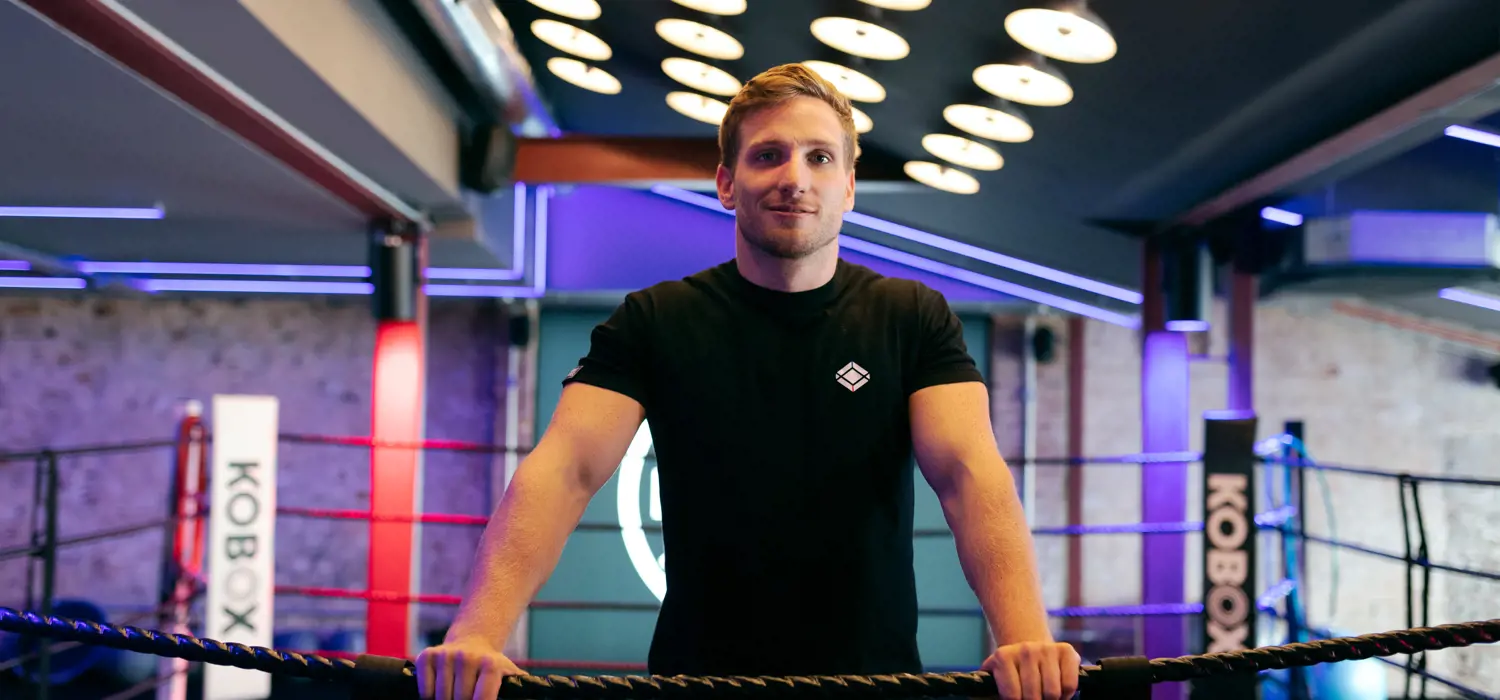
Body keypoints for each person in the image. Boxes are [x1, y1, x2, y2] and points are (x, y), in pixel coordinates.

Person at [416, 63, 1080, 700]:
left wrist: (1025, 638)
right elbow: (564, 470)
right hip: (698, 683)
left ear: (849, 186)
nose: (796, 177)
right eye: (769, 155)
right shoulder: (655, 320)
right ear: (727, 183)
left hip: (875, 686)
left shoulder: (911, 317)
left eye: (820, 157)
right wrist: (477, 633)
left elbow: (969, 472)